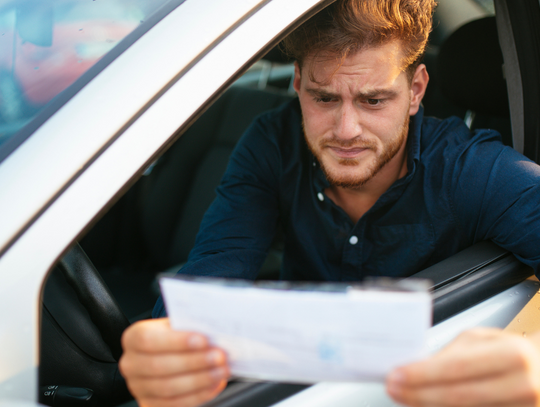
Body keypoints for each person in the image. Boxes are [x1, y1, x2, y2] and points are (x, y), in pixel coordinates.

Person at [119, 0, 540, 406]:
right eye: (324, 98)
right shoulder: (273, 144)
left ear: (415, 91)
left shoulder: (472, 169)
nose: (346, 130)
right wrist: (165, 351)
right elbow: (210, 273)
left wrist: (535, 358)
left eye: (373, 100)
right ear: (298, 84)